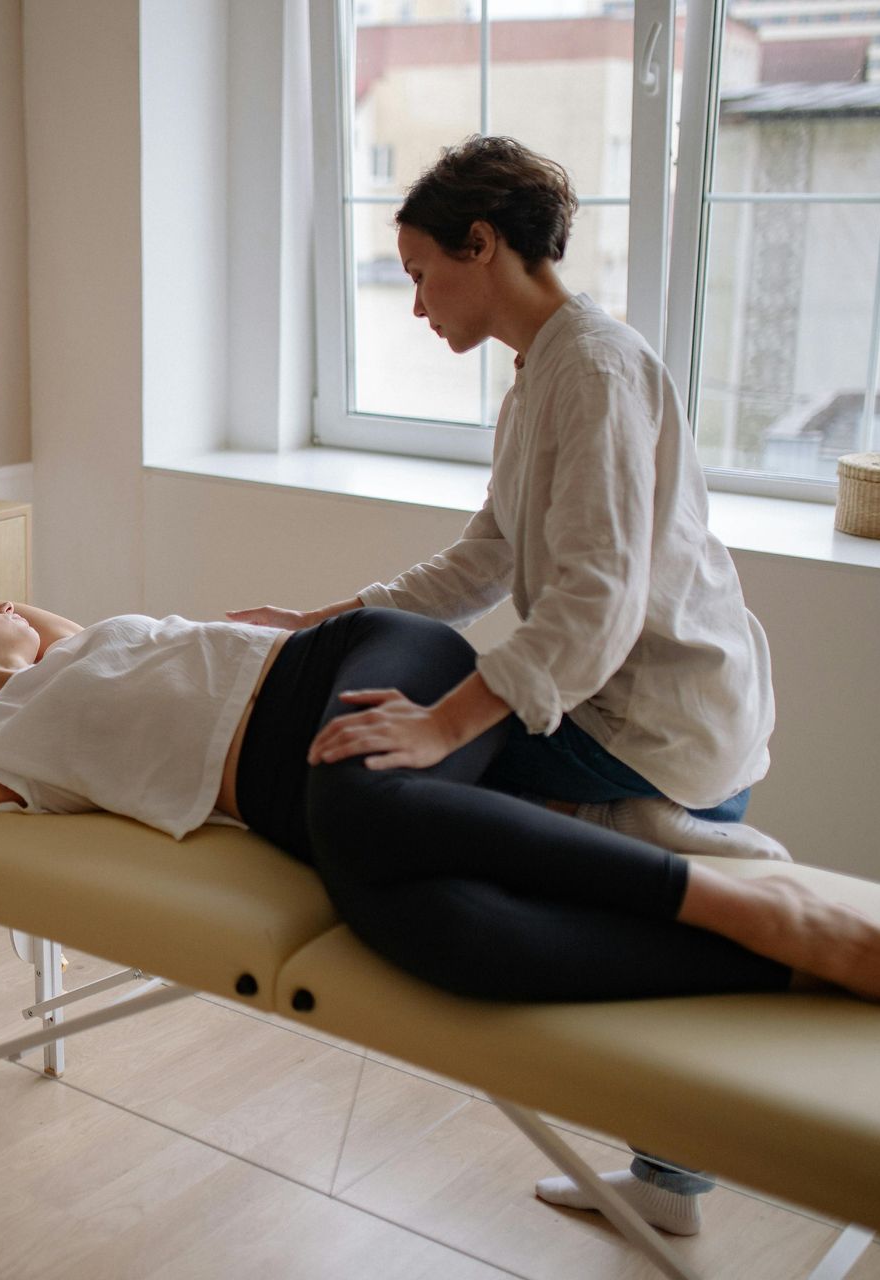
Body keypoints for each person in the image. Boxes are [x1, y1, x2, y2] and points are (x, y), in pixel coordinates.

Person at [229, 137, 788, 1229]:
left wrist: (445, 725)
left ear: (482, 244)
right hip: (631, 701)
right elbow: (483, 558)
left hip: (661, 714)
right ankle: (672, 1179)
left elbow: (594, 602)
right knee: (626, 924)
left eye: (420, 272)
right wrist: (326, 619)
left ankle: (726, 879)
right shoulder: (543, 373)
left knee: (410, 781)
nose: (414, 304)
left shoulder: (594, 367)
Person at [0, 599, 880, 1025]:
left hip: (360, 664)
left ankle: (741, 907)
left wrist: (4, 644)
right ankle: (802, 959)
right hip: (333, 788)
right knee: (443, 934)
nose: (11, 601)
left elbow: (42, 633)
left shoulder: (85, 644)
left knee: (357, 827)